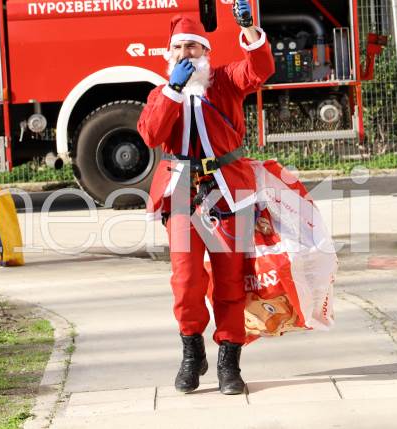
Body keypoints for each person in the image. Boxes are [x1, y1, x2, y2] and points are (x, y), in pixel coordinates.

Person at [137, 1, 274, 395]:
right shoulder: (160, 93)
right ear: (169, 55)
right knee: (185, 281)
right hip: (181, 196)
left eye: (193, 48)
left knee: (231, 280)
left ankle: (229, 361)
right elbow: (150, 135)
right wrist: (173, 90)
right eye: (179, 49)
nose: (186, 55)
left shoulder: (227, 80)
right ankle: (191, 351)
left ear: (206, 53)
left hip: (229, 193)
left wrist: (248, 30)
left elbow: (260, 69)